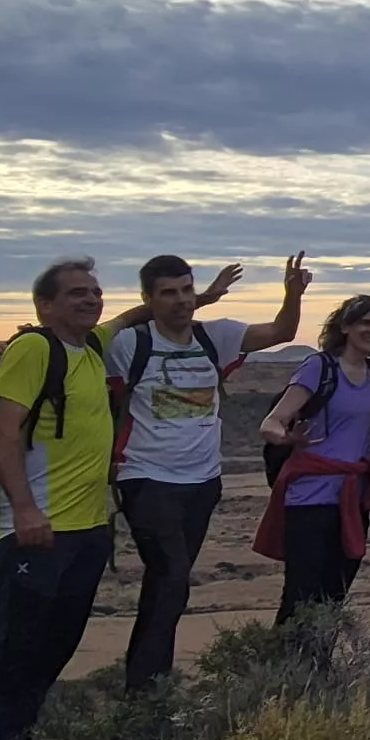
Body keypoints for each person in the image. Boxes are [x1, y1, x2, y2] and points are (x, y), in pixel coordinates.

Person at [101, 252, 310, 695]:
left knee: (169, 584)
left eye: (186, 290)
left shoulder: (215, 338)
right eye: (168, 293)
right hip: (145, 476)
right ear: (148, 299)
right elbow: (97, 334)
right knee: (172, 577)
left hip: (201, 482)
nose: (180, 301)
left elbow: (281, 332)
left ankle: (146, 690)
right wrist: (209, 298)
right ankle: (145, 692)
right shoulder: (129, 345)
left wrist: (292, 295)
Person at [0, 259, 114, 740]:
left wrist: (201, 299)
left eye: (95, 292)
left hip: (88, 529)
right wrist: (24, 509)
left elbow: (142, 312)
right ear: (44, 304)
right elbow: (1, 432)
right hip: (39, 530)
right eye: (76, 293)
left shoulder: (90, 351)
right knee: (16, 650)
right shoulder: (33, 350)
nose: (90, 300)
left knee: (55, 647)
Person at [255, 294, 370, 625]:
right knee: (301, 595)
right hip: (311, 497)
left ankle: (317, 671)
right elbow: (270, 423)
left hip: (352, 499)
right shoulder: (319, 368)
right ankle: (286, 670)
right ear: (346, 326)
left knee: (334, 594)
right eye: (366, 322)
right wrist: (288, 438)